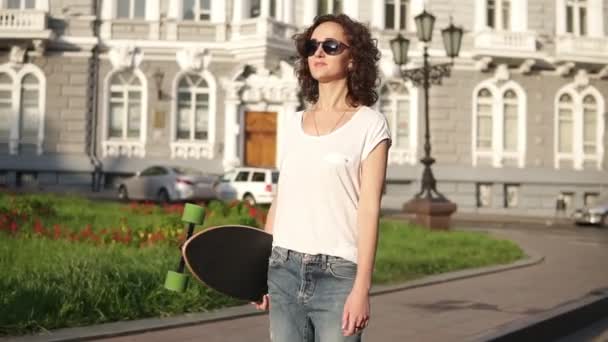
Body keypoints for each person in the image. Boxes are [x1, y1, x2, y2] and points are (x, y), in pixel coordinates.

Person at [252, 13, 391, 342]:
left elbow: (369, 210)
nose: (318, 53)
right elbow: (280, 201)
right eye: (311, 46)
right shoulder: (292, 123)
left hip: (338, 275)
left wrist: (361, 289)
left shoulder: (370, 125)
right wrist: (258, 271)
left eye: (330, 46)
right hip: (283, 268)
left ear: (353, 58)